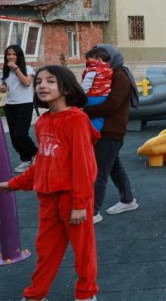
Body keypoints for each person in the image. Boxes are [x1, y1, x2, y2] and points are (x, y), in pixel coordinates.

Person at [0, 65, 100, 301]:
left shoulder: (76, 120)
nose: (42, 85)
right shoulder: (44, 121)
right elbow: (42, 164)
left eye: (51, 81)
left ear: (66, 88)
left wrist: (79, 203)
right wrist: (12, 184)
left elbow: (84, 166)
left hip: (73, 199)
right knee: (46, 250)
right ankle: (36, 294)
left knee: (83, 251)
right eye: (39, 82)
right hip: (48, 200)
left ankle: (86, 294)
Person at [83, 44, 140, 224]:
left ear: (111, 58)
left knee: (99, 171)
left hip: (110, 130)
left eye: (102, 58)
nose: (97, 61)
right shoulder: (103, 75)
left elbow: (112, 105)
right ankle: (128, 200)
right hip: (104, 129)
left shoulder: (119, 76)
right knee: (114, 166)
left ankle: (93, 211)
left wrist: (84, 111)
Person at [1, 45, 38, 173]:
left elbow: (27, 83)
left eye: (14, 54)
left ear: (19, 56)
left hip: (25, 104)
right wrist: (3, 87)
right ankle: (26, 159)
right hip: (10, 105)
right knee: (14, 137)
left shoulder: (28, 68)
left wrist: (16, 68)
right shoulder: (5, 71)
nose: (11, 57)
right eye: (8, 54)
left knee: (20, 134)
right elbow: (5, 86)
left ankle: (36, 153)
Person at [81, 47, 113, 131]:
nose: (87, 62)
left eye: (89, 60)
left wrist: (80, 94)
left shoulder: (92, 70)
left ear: (98, 60)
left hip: (92, 96)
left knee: (86, 114)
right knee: (99, 118)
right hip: (103, 97)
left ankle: (88, 132)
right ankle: (96, 131)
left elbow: (86, 84)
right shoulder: (109, 70)